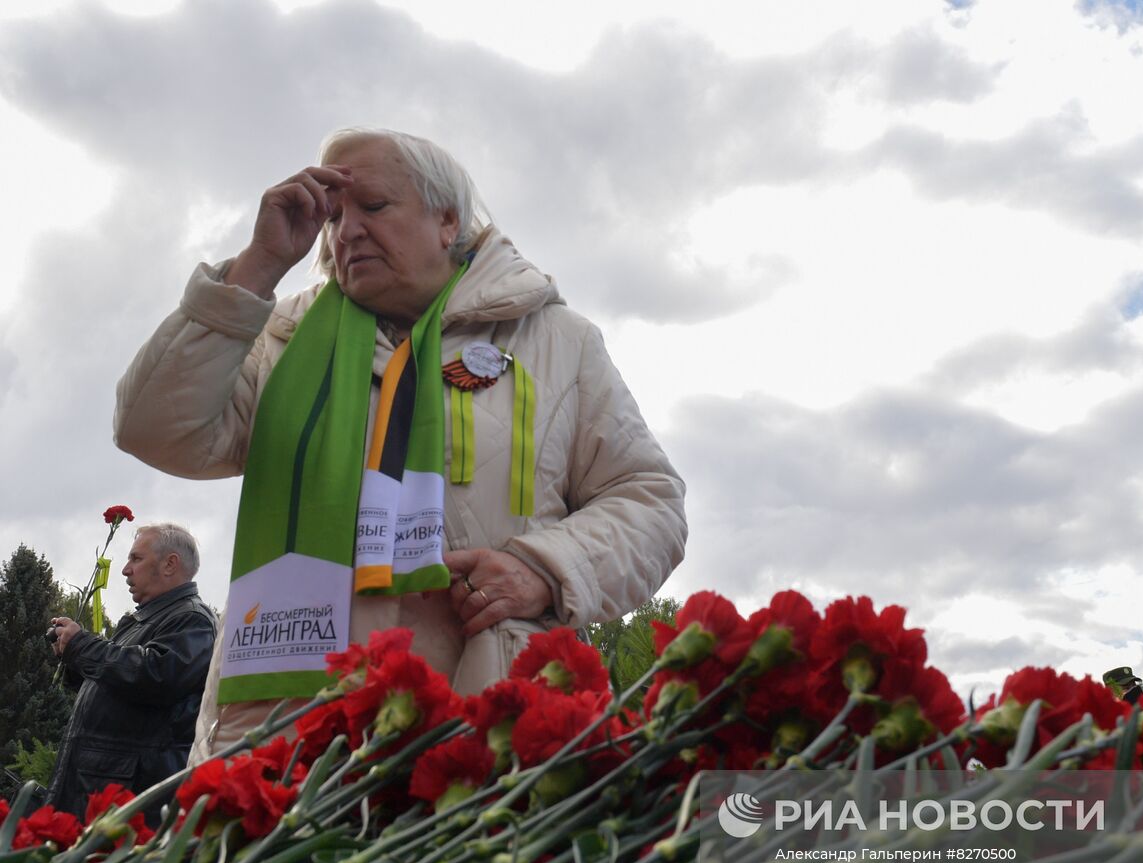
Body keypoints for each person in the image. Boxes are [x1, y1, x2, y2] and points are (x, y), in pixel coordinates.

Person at [114, 127, 687, 762]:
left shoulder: (555, 341)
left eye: (374, 208)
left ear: (447, 220)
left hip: (485, 729)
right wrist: (255, 269)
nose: (346, 231)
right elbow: (153, 428)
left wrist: (545, 568)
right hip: (285, 734)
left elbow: (651, 504)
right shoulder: (281, 335)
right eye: (334, 216)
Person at [47, 523, 217, 815]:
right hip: (99, 792)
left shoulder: (192, 619)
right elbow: (120, 692)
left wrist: (83, 646)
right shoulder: (146, 620)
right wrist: (74, 658)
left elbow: (155, 676)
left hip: (125, 804)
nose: (125, 570)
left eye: (136, 559)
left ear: (169, 564)